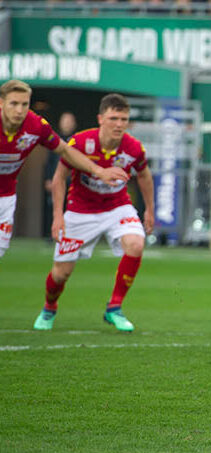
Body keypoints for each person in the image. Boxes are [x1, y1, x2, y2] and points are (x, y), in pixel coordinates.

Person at [36, 93, 155, 332]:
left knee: (136, 243)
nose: (119, 124)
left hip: (117, 207)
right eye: (114, 118)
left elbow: (143, 175)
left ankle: (114, 308)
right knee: (61, 274)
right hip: (80, 211)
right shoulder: (80, 143)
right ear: (101, 119)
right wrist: (58, 215)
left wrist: (150, 210)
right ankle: (50, 307)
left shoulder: (133, 148)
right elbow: (59, 178)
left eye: (124, 119)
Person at [0, 82, 127, 261]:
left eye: (24, 104)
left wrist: (99, 170)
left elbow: (66, 150)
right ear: (1, 103)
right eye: (14, 104)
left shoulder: (36, 126)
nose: (20, 110)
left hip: (6, 199)